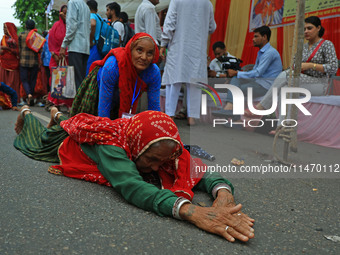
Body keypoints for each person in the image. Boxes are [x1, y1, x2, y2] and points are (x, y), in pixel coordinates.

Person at [14, 106, 255, 243]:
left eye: (162, 161)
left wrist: (223, 195)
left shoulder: (163, 143)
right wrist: (194, 212)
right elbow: (132, 186)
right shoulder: (112, 147)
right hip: (63, 144)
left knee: (70, 118)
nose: (155, 168)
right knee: (37, 135)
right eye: (151, 161)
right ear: (137, 147)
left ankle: (58, 113)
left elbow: (193, 167)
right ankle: (27, 112)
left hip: (95, 125)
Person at [250, 16, 338, 118]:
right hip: (300, 81)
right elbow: (293, 65)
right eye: (304, 29)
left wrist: (311, 65)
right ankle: (282, 126)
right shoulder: (302, 47)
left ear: (318, 28)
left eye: (309, 28)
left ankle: (262, 106)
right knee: (284, 89)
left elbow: (333, 67)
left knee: (286, 75)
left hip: (319, 84)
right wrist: (294, 67)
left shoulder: (326, 44)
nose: (306, 31)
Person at [70, 33, 161, 120]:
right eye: (139, 50)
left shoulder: (153, 72)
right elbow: (104, 108)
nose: (144, 57)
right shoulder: (112, 66)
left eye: (149, 53)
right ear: (130, 50)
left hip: (121, 98)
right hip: (100, 92)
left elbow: (154, 108)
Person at [160, 0, 216, 126]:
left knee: (174, 81)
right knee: (195, 83)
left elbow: (169, 24)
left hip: (179, 46)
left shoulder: (177, 1)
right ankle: (192, 117)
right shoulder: (207, 3)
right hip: (197, 48)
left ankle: (170, 115)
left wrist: (163, 43)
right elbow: (212, 27)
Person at [212, 25, 282, 118]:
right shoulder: (262, 52)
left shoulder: (270, 53)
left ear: (264, 37)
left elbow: (257, 73)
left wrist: (237, 73)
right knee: (235, 78)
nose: (253, 39)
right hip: (257, 82)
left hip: (265, 86)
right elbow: (255, 73)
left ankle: (230, 109)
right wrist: (238, 75)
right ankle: (231, 109)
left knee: (235, 87)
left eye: (256, 36)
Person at [46, 5, 74, 110]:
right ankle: (55, 102)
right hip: (56, 57)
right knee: (55, 79)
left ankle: (68, 104)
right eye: (64, 13)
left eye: (67, 13)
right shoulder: (56, 26)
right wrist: (54, 54)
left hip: (67, 57)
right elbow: (51, 42)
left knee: (68, 80)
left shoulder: (72, 26)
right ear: (60, 13)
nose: (65, 15)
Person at [59, 0, 91, 90]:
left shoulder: (72, 3)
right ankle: (82, 102)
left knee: (77, 80)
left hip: (76, 46)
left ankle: (79, 103)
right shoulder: (86, 6)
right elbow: (88, 27)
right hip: (85, 47)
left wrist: (64, 45)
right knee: (81, 79)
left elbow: (71, 27)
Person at [18, 19, 41, 106]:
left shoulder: (21, 35)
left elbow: (19, 49)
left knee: (24, 79)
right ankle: (31, 95)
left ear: (26, 26)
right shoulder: (37, 36)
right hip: (34, 61)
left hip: (23, 61)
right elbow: (39, 50)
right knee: (33, 80)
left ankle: (29, 94)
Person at [0, 22, 21, 105]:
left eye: (5, 28)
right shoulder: (3, 39)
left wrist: (7, 49)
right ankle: (4, 100)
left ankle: (14, 100)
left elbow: (18, 52)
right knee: (4, 82)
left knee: (12, 83)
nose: (4, 30)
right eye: (3, 28)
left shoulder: (15, 39)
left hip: (13, 64)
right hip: (3, 63)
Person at [86, 0, 103, 75]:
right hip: (100, 47)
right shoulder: (99, 17)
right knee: (97, 71)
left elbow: (93, 24)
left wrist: (90, 40)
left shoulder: (91, 15)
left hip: (94, 46)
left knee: (90, 71)